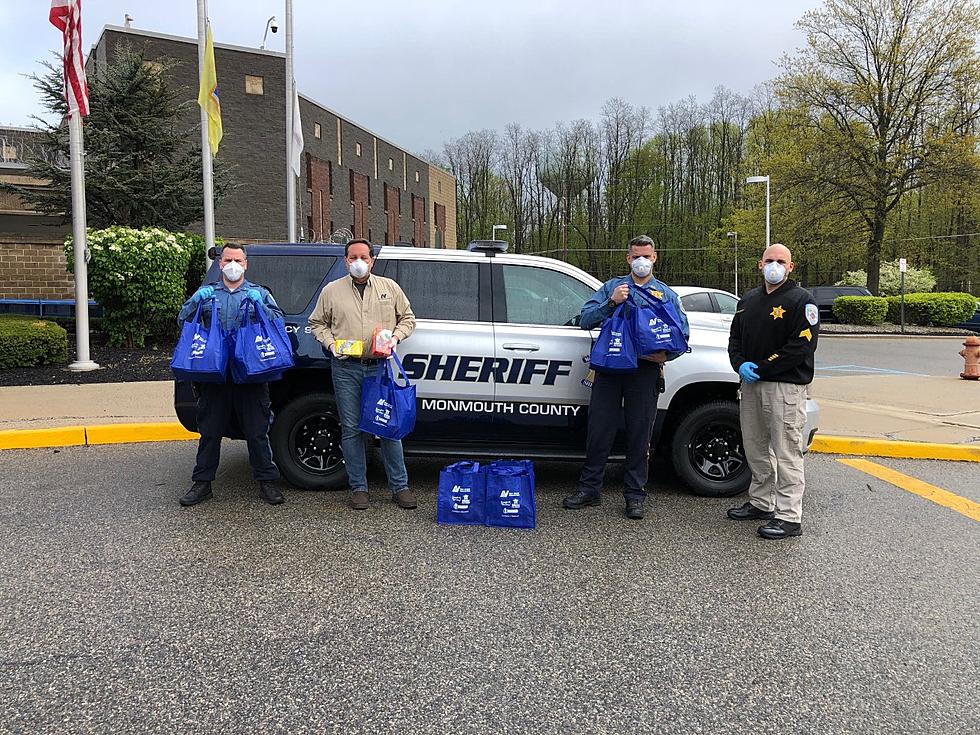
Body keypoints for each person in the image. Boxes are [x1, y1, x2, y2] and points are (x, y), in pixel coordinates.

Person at [563, 235, 690, 520]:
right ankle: (589, 489)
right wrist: (611, 302)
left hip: (644, 373)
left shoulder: (666, 295)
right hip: (609, 369)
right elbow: (585, 319)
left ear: (654, 258)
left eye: (646, 256)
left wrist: (666, 357)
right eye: (636, 256)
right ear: (628, 258)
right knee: (599, 431)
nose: (641, 261)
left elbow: (683, 335)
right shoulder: (612, 287)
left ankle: (635, 496)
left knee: (639, 434)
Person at [308, 239, 417, 511]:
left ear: (372, 260)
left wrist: (395, 337)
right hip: (346, 368)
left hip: (379, 368)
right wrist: (331, 344)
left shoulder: (389, 288)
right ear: (346, 260)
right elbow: (316, 323)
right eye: (353, 257)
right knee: (352, 428)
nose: (359, 262)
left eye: (364, 257)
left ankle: (399, 486)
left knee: (389, 426)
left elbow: (408, 319)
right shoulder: (332, 291)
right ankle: (358, 487)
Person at [177, 243, 285, 507]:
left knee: (257, 430)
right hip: (215, 373)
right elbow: (183, 321)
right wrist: (194, 302)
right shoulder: (208, 294)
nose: (233, 265)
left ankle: (267, 482)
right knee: (210, 430)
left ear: (245, 264)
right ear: (220, 264)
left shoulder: (259, 293)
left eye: (237, 260)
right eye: (227, 260)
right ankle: (202, 483)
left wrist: (264, 308)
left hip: (251, 373)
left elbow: (277, 323)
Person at [727, 243, 819, 539]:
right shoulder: (749, 300)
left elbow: (800, 347)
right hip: (751, 384)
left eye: (781, 261)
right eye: (770, 260)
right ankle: (761, 502)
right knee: (755, 447)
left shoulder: (801, 300)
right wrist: (739, 364)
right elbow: (734, 339)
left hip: (785, 387)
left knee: (787, 451)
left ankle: (789, 516)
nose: (774, 265)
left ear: (791, 267)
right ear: (760, 264)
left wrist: (763, 368)